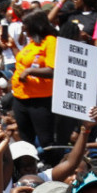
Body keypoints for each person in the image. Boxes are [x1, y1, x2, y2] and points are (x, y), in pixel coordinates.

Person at [11, 10, 59, 148]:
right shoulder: (31, 43)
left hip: (39, 100)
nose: (23, 28)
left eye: (25, 25)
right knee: (25, 140)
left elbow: (52, 70)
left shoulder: (50, 41)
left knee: (46, 141)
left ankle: (52, 167)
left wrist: (30, 71)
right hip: (20, 98)